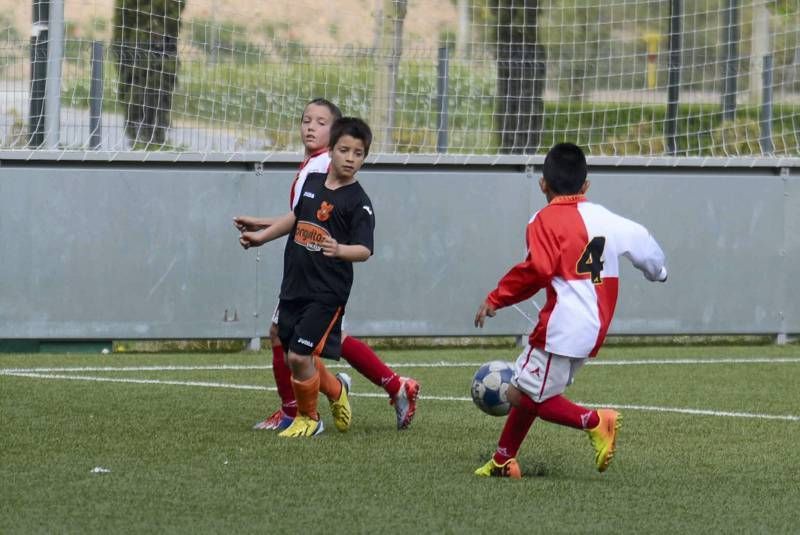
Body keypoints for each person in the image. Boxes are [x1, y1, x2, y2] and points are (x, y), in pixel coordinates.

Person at [473, 142, 667, 477]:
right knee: (533, 387)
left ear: (542, 184)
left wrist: (497, 297)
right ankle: (503, 459)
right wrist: (658, 272)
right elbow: (644, 242)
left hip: (563, 325)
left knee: (519, 394)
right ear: (586, 186)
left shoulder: (542, 220)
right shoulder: (605, 217)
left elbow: (538, 270)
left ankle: (595, 421)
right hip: (594, 324)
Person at [234, 99, 420, 432]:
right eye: (306, 120)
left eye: (321, 122)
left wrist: (339, 249)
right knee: (319, 341)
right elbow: (299, 217)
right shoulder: (316, 171)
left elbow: (355, 242)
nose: (310, 127)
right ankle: (376, 387)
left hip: (324, 279)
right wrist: (262, 231)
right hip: (303, 274)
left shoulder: (328, 169)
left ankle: (296, 412)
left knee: (294, 342)